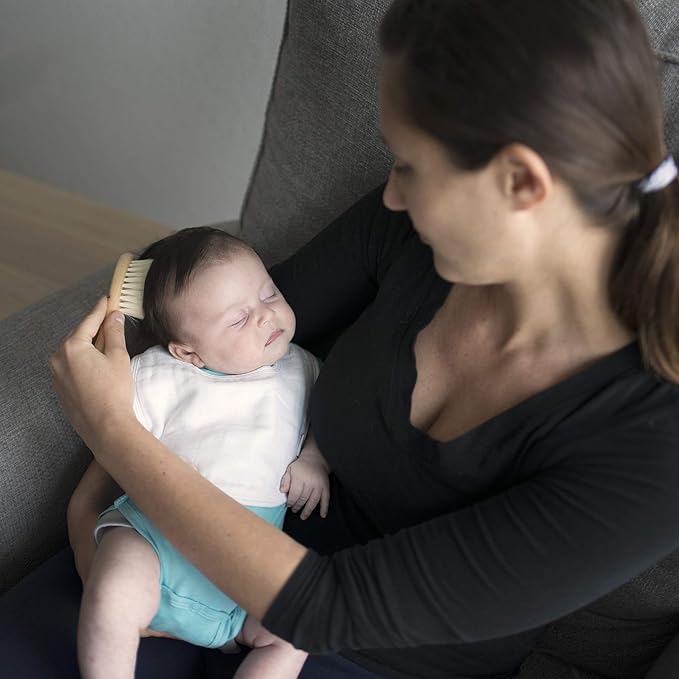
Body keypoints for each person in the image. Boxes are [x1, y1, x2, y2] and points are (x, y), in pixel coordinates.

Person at [3, 0, 679, 677]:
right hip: (198, 557)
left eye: (408, 166)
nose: (390, 194)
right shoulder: (417, 238)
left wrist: (112, 431)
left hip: (364, 653)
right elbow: (216, 346)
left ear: (521, 182)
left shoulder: (652, 443)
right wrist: (92, 517)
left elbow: (331, 605)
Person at [75, 228, 325, 679]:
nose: (266, 316)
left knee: (300, 626)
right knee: (113, 592)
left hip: (243, 576)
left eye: (269, 293)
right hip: (153, 541)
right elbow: (107, 415)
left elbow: (332, 416)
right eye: (237, 319)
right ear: (188, 352)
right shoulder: (161, 375)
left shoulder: (303, 368)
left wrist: (314, 459)